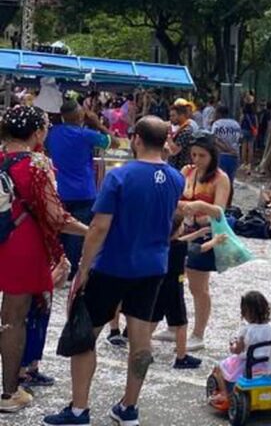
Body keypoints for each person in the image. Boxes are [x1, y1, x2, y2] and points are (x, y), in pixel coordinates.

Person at [43, 116, 185, 426]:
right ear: (163, 142)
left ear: (135, 139)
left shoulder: (119, 177)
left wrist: (83, 269)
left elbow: (98, 227)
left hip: (112, 266)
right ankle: (128, 407)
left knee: (85, 335)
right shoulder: (176, 179)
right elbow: (173, 221)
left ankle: (79, 409)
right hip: (152, 268)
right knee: (140, 340)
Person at [0, 106, 89, 413]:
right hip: (22, 244)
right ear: (37, 132)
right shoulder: (37, 163)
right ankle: (10, 393)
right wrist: (91, 231)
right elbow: (56, 216)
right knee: (13, 319)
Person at [45, 100, 115, 279]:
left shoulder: (52, 133)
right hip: (84, 191)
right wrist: (96, 123)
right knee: (79, 233)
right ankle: (73, 272)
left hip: (59, 189)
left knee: (59, 228)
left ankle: (57, 266)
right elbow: (113, 142)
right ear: (79, 115)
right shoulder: (86, 134)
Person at [178, 133, 231, 352]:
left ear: (212, 156)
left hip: (205, 234)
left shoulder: (220, 178)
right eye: (193, 155)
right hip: (182, 231)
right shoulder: (187, 171)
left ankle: (198, 333)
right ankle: (175, 325)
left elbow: (219, 211)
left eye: (202, 155)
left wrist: (198, 210)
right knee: (176, 281)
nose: (197, 159)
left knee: (198, 286)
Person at [151, 210, 220, 370]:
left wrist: (198, 233)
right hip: (175, 288)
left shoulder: (162, 242)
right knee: (181, 323)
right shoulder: (180, 247)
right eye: (182, 224)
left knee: (153, 319)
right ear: (177, 229)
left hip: (159, 285)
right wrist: (215, 240)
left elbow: (181, 239)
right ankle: (181, 357)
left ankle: (143, 350)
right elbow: (200, 248)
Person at [208, 291, 271, 410]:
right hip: (267, 364)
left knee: (219, 367)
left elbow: (237, 350)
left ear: (246, 312)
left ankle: (225, 394)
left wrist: (232, 347)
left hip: (248, 364)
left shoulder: (246, 330)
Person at [18, 258, 70, 389]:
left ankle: (32, 369)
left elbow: (55, 285)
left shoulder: (50, 251)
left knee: (40, 334)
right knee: (30, 334)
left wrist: (63, 272)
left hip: (44, 300)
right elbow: (39, 284)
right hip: (32, 299)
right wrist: (57, 272)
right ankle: (21, 373)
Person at [211, 105, 242, 187]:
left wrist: (227, 149)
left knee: (220, 181)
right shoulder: (235, 124)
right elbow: (239, 139)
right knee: (230, 181)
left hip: (221, 155)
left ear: (219, 113)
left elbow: (215, 140)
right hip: (234, 156)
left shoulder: (217, 124)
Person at [167, 104, 196, 170]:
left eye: (173, 115)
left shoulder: (186, 131)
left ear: (182, 116)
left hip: (182, 168)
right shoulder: (181, 129)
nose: (171, 118)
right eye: (170, 116)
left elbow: (174, 150)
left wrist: (168, 135)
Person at [239, 103, 258, 173]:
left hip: (244, 131)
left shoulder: (243, 115)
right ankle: (249, 164)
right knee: (251, 148)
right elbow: (256, 124)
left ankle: (244, 163)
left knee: (244, 147)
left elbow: (240, 123)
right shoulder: (254, 116)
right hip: (251, 131)